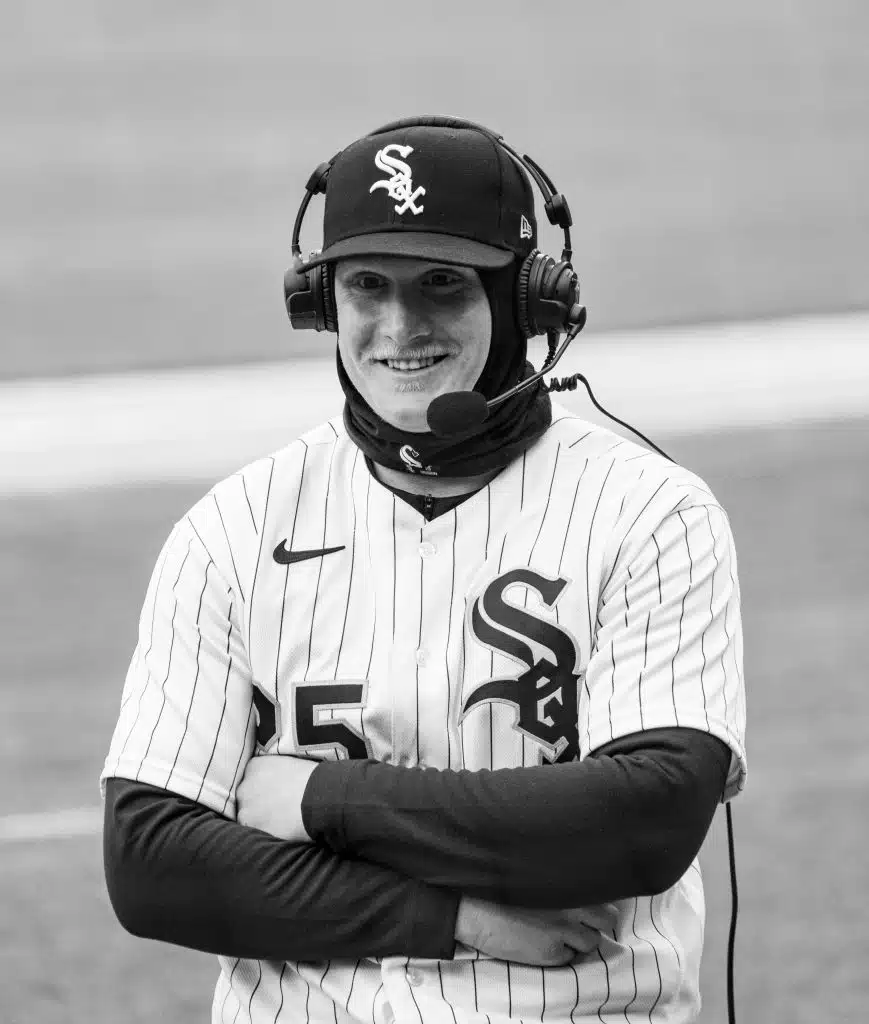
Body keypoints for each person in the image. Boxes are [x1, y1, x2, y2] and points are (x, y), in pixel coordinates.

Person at [101, 116, 747, 1024]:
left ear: (525, 302)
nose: (400, 327)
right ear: (321, 303)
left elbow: (640, 825)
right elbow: (154, 865)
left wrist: (320, 798)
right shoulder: (232, 530)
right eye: (367, 285)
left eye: (442, 283)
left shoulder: (650, 515)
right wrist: (450, 919)